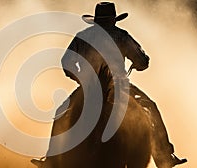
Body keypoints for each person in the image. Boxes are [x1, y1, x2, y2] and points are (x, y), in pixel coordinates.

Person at [58, 2, 186, 168]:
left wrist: (82, 78)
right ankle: (164, 157)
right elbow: (142, 61)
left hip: (89, 88)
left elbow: (66, 61)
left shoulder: (83, 36)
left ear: (96, 21)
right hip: (119, 86)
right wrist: (139, 64)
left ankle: (51, 159)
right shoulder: (122, 36)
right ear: (114, 20)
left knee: (61, 112)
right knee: (151, 108)